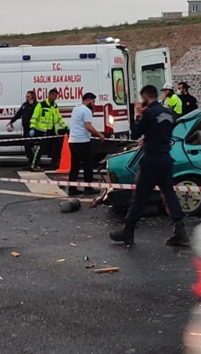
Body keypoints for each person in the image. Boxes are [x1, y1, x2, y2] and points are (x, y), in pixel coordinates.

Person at [110, 84, 189, 247]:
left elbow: (135, 132)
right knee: (169, 194)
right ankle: (180, 231)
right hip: (166, 158)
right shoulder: (169, 114)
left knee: (139, 197)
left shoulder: (148, 114)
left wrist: (138, 114)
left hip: (151, 160)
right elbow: (163, 132)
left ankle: (128, 231)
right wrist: (151, 138)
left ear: (145, 97)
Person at [66, 92, 105, 196]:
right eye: (93, 101)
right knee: (88, 165)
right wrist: (99, 135)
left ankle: (72, 188)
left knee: (75, 166)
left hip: (73, 141)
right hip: (82, 141)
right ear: (88, 100)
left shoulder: (76, 108)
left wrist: (92, 111)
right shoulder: (86, 110)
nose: (94, 104)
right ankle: (88, 188)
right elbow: (88, 126)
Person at [29, 88, 66, 171]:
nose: (55, 98)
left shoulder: (54, 105)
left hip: (52, 130)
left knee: (56, 147)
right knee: (40, 148)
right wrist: (32, 127)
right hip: (42, 131)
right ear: (50, 95)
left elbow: (58, 118)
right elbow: (34, 117)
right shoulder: (41, 105)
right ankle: (34, 165)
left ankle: (54, 163)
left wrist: (65, 126)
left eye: (56, 96)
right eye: (54, 96)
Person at [7, 90, 38, 169]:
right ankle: (30, 161)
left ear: (32, 97)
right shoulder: (25, 105)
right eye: (26, 96)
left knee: (32, 146)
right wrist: (11, 122)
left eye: (28, 96)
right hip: (26, 129)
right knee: (26, 146)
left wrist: (33, 128)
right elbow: (18, 115)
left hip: (34, 129)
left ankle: (34, 162)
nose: (26, 98)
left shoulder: (37, 105)